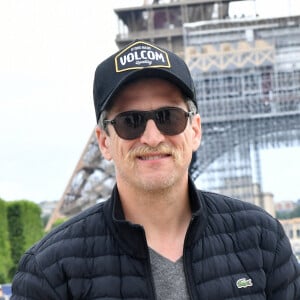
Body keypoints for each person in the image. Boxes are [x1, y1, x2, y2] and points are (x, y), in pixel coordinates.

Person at [11, 40, 300, 299]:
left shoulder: (262, 239)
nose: (152, 137)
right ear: (104, 142)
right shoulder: (49, 269)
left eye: (168, 117)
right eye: (130, 121)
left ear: (195, 130)